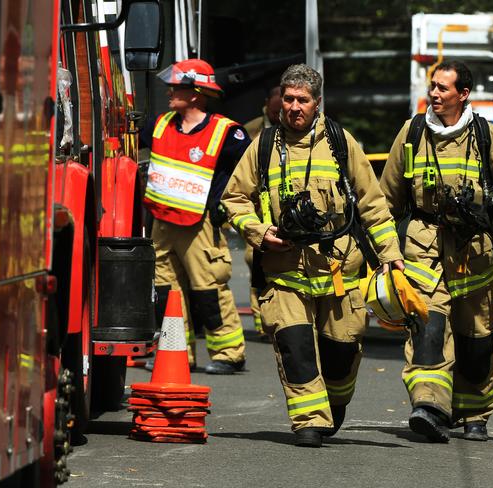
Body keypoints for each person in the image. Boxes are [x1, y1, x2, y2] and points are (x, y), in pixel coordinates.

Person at [222, 64, 404, 447]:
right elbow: (233, 199)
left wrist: (391, 255)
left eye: (302, 100)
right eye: (287, 99)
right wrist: (259, 232)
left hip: (338, 271)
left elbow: (372, 204)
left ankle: (334, 403)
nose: (293, 107)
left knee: (341, 353)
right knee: (296, 346)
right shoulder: (265, 145)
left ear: (317, 103)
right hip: (286, 271)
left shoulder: (341, 143)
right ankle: (308, 419)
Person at [380, 60, 493, 442]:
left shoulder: (487, 137)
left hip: (476, 253)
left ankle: (473, 413)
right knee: (427, 327)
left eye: (443, 88)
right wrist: (387, 252)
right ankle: (430, 406)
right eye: (432, 86)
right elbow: (384, 201)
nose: (434, 94)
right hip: (423, 247)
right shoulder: (412, 132)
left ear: (463, 94)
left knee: (477, 338)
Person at [141, 58, 249, 375]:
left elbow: (249, 173)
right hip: (162, 223)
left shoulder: (227, 133)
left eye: (178, 86)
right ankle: (177, 352)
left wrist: (225, 203)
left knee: (208, 291)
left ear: (196, 93)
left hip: (200, 224)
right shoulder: (158, 125)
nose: (170, 91)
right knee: (165, 293)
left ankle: (229, 353)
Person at [241, 85, 283, 341]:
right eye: (276, 109)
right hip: (258, 213)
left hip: (280, 210)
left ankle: (275, 319)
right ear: (267, 104)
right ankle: (263, 322)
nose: (280, 115)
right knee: (256, 263)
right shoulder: (251, 130)